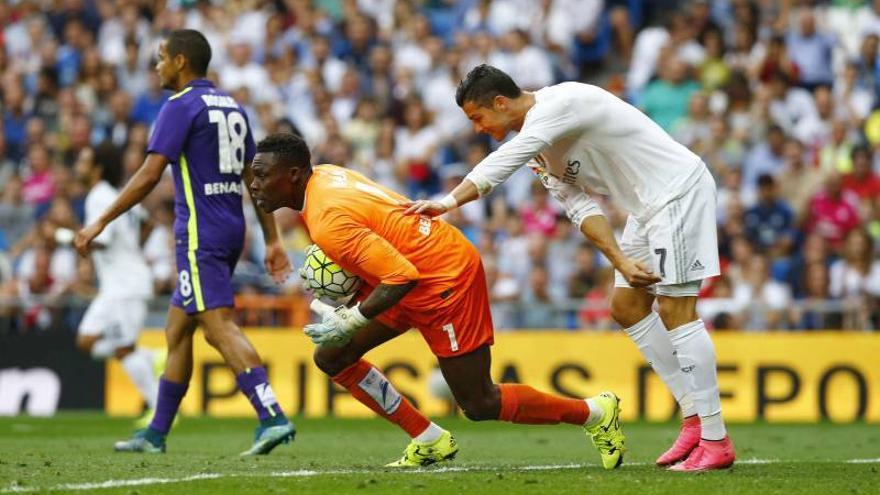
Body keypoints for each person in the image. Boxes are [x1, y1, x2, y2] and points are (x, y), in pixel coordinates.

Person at [406, 64, 735, 472]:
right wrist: (619, 259)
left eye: (478, 117)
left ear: (500, 103)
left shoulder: (563, 102)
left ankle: (716, 439)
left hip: (677, 192)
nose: (477, 129)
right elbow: (580, 207)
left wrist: (449, 201)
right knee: (627, 307)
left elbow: (507, 157)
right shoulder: (539, 152)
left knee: (675, 309)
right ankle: (693, 416)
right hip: (645, 208)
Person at [248, 133, 625, 469]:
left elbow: (400, 277)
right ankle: (429, 439)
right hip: (409, 269)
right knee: (332, 355)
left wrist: (353, 316)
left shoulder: (328, 219)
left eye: (262, 175)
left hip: (444, 278)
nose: (254, 183)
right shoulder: (325, 176)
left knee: (479, 404)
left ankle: (594, 413)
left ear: (295, 175)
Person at [74, 29, 294, 455]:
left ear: (180, 62)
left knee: (218, 326)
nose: (156, 66)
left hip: (199, 233)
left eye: (160, 58)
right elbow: (256, 180)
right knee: (177, 330)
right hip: (230, 228)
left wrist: (99, 220)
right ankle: (156, 432)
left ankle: (272, 415)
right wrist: (271, 239)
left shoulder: (180, 106)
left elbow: (150, 173)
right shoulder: (233, 106)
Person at [72, 143, 159, 426]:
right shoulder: (117, 195)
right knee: (86, 339)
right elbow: (147, 223)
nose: (79, 166)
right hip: (121, 284)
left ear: (96, 168)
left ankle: (159, 410)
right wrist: (131, 249)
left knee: (122, 348)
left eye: (84, 161)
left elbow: (101, 240)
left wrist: (68, 238)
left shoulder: (98, 196)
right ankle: (151, 357)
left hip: (125, 285)